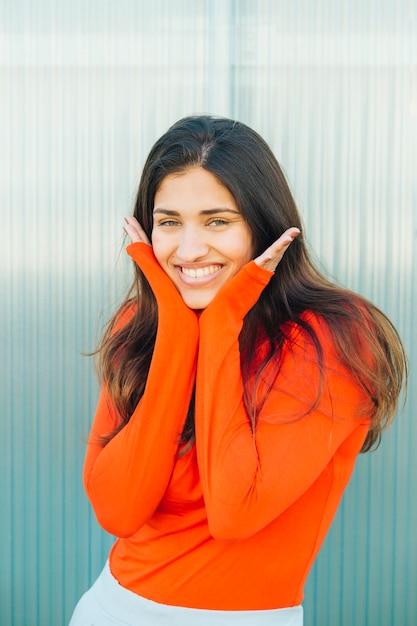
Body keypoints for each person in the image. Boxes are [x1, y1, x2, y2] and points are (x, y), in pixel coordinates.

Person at [69, 115, 407, 625]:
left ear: (262, 223)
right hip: (111, 608)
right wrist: (179, 335)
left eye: (217, 221)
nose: (188, 250)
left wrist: (223, 324)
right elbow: (118, 511)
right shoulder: (142, 323)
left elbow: (235, 512)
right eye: (168, 222)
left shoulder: (331, 337)